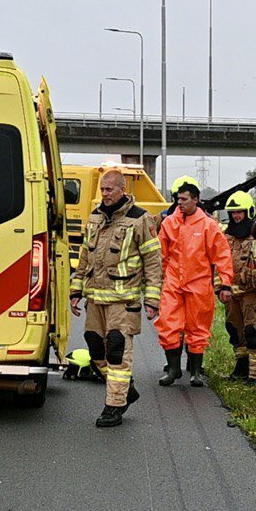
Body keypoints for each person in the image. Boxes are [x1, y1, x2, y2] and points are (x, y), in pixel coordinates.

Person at [70, 168, 163, 428]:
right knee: (95, 347)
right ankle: (125, 390)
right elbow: (84, 259)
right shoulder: (95, 218)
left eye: (109, 189)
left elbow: (154, 262)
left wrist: (152, 300)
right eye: (102, 189)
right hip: (96, 300)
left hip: (124, 300)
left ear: (123, 190)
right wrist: (76, 291)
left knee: (117, 350)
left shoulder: (140, 219)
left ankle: (113, 406)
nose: (105, 194)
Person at [156, 176, 234, 387]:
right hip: (173, 283)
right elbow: (161, 254)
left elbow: (222, 255)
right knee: (168, 324)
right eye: (178, 199)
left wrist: (225, 283)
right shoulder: (169, 222)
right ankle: (173, 370)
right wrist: (157, 282)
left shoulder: (208, 225)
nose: (179, 203)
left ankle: (195, 372)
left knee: (197, 328)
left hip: (199, 283)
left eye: (184, 199)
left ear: (196, 200)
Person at [219, 191, 256, 385]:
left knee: (253, 333)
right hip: (231, 294)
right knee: (235, 331)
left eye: (239, 212)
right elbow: (218, 262)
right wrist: (219, 287)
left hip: (252, 295)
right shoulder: (225, 236)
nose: (236, 216)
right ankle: (241, 368)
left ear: (249, 212)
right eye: (233, 213)